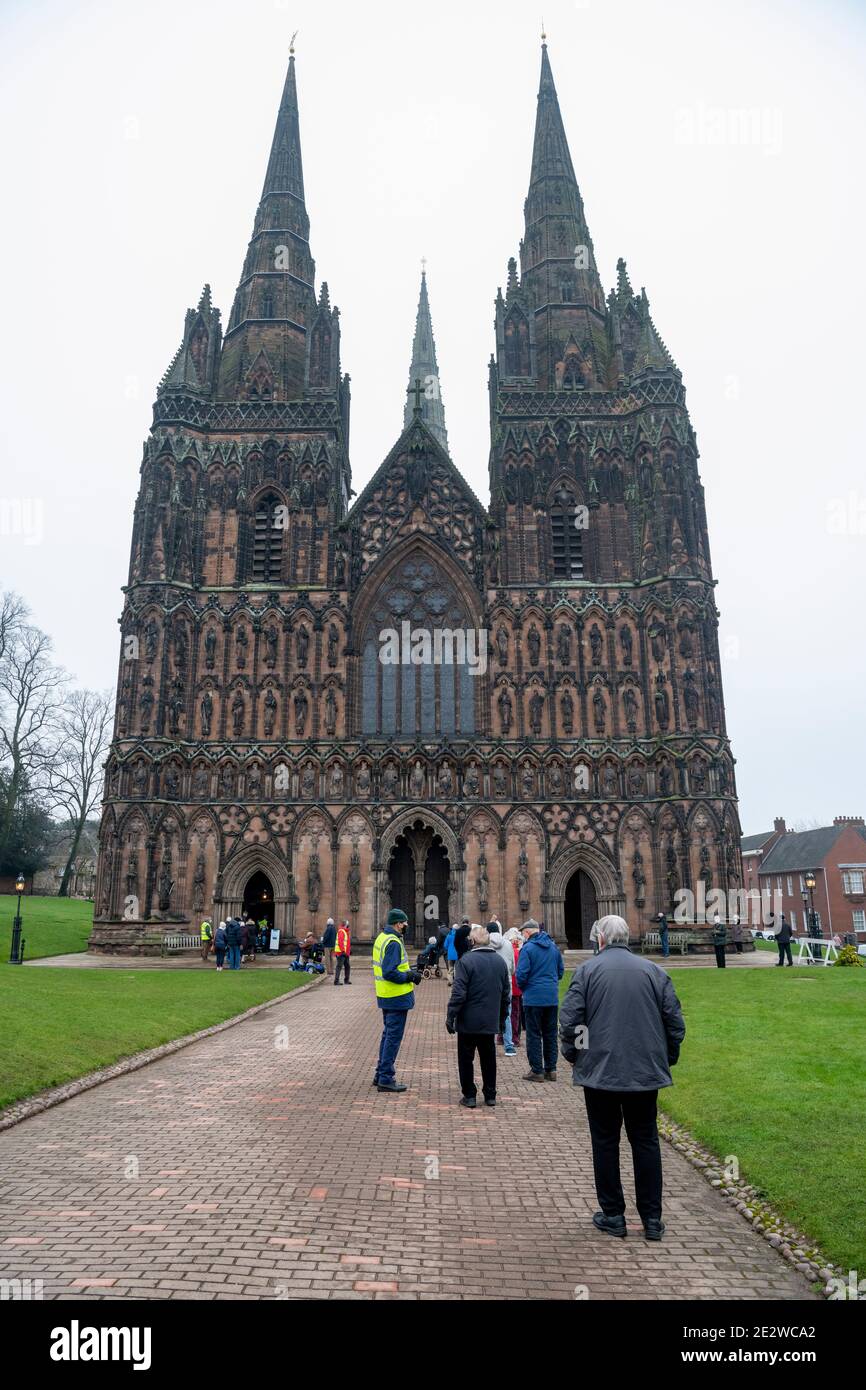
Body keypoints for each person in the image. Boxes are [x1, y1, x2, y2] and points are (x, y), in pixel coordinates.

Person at [559, 914, 686, 1242]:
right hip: (644, 1074)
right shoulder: (655, 971)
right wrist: (666, 1056)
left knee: (605, 1142)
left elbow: (572, 1023)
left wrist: (578, 1055)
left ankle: (614, 1215)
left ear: (599, 940)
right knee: (645, 1141)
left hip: (600, 1075)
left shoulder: (586, 972)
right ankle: (652, 1219)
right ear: (627, 938)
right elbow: (674, 1023)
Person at [446, 925, 510, 1107]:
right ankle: (490, 1095)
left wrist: (451, 1016)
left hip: (468, 1021)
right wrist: (502, 1019)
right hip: (489, 1020)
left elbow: (458, 994)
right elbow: (506, 995)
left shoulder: (465, 961)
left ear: (472, 941)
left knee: (466, 1059)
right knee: (489, 1059)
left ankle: (470, 1095)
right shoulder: (500, 962)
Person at [372, 908, 422, 1093]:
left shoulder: (382, 937)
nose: (407, 925)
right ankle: (386, 1077)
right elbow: (390, 971)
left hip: (386, 995)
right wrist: (409, 976)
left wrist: (410, 971)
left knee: (388, 1035)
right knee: (393, 1037)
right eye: (405, 922)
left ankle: (380, 1074)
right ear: (398, 923)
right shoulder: (393, 942)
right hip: (396, 996)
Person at [515, 918, 564, 1081]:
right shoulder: (554, 947)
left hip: (533, 998)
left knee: (534, 1033)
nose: (523, 936)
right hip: (551, 997)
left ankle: (537, 1070)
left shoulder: (527, 949)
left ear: (528, 932)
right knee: (550, 1033)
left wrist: (526, 988)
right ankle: (552, 1069)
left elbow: (521, 975)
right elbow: (560, 972)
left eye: (523, 933)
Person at [488, 925, 515, 1051]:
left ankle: (489, 1045)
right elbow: (512, 967)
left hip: (489, 984)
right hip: (506, 983)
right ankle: (509, 1046)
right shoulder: (509, 944)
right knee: (507, 1014)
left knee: (488, 1014)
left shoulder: (485, 944)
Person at [503, 927, 523, 1052]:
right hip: (515, 987)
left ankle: (501, 1037)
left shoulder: (506, 951)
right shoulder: (518, 952)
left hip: (507, 986)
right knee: (514, 1014)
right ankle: (514, 1038)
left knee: (504, 1013)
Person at [334, 919, 351, 984]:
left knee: (347, 966)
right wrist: (343, 951)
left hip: (345, 953)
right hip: (341, 953)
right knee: (339, 966)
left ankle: (346, 980)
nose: (349, 925)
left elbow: (346, 943)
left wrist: (349, 951)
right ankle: (336, 980)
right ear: (346, 925)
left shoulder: (345, 931)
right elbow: (340, 942)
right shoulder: (342, 931)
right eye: (348, 924)